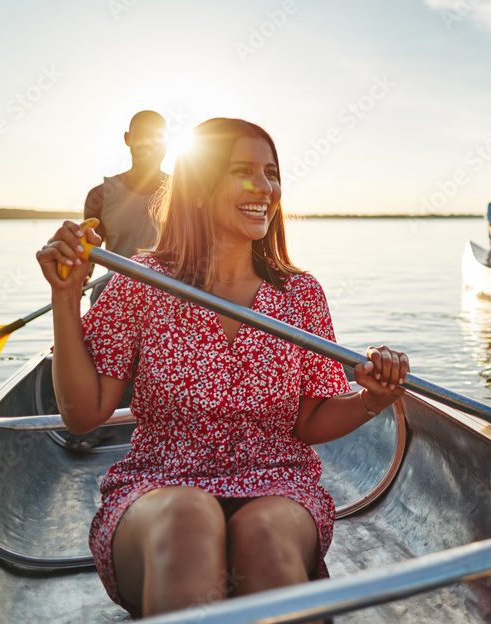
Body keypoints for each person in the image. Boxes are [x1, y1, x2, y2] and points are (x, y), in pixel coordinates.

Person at [35, 118, 410, 619]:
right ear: (198, 189)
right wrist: (65, 296)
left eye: (271, 172)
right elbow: (83, 417)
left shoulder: (299, 295)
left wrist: (371, 400)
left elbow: (310, 420)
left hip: (278, 483)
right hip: (160, 485)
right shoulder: (141, 282)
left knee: (267, 535)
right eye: (243, 171)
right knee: (189, 517)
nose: (265, 187)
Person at [84, 110, 169, 303]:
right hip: (113, 297)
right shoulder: (100, 195)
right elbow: (88, 258)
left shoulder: (184, 194)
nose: (148, 143)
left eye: (157, 136)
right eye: (141, 136)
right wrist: (75, 283)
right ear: (128, 139)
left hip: (167, 301)